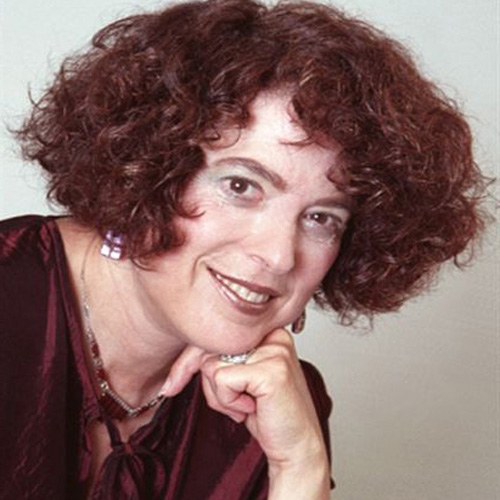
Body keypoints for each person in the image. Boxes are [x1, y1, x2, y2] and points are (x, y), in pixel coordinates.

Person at [0, 0, 488, 498]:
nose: (279, 256)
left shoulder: (275, 405)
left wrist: (300, 467)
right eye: (240, 186)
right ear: (144, 171)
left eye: (322, 218)